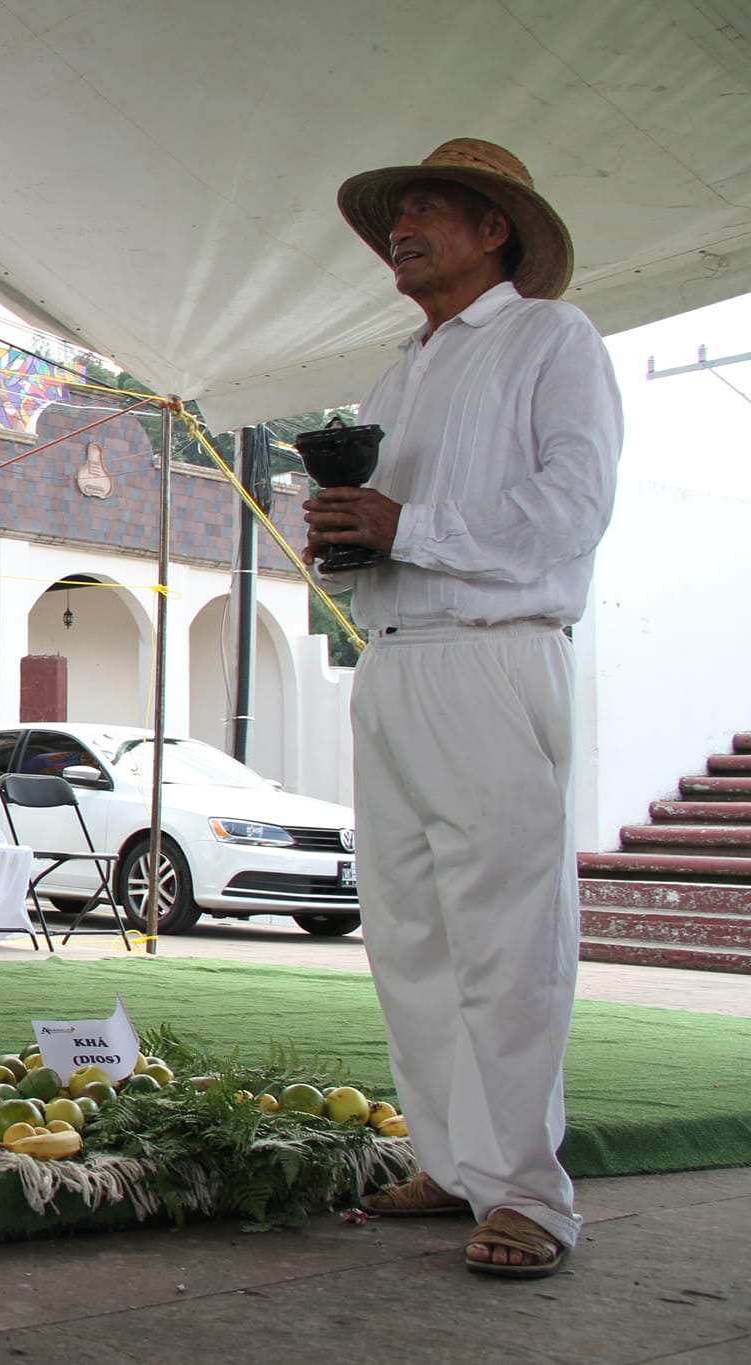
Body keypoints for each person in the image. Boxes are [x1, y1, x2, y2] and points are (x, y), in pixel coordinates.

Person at [303, 139, 621, 1279]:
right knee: (408, 932)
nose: (402, 227)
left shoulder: (551, 339)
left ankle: (531, 1195)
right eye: (396, 212)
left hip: (494, 655)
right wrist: (348, 540)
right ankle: (450, 1159)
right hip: (391, 658)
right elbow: (393, 525)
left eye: (428, 208)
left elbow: (567, 513)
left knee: (505, 933)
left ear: (496, 229)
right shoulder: (397, 372)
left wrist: (404, 529)